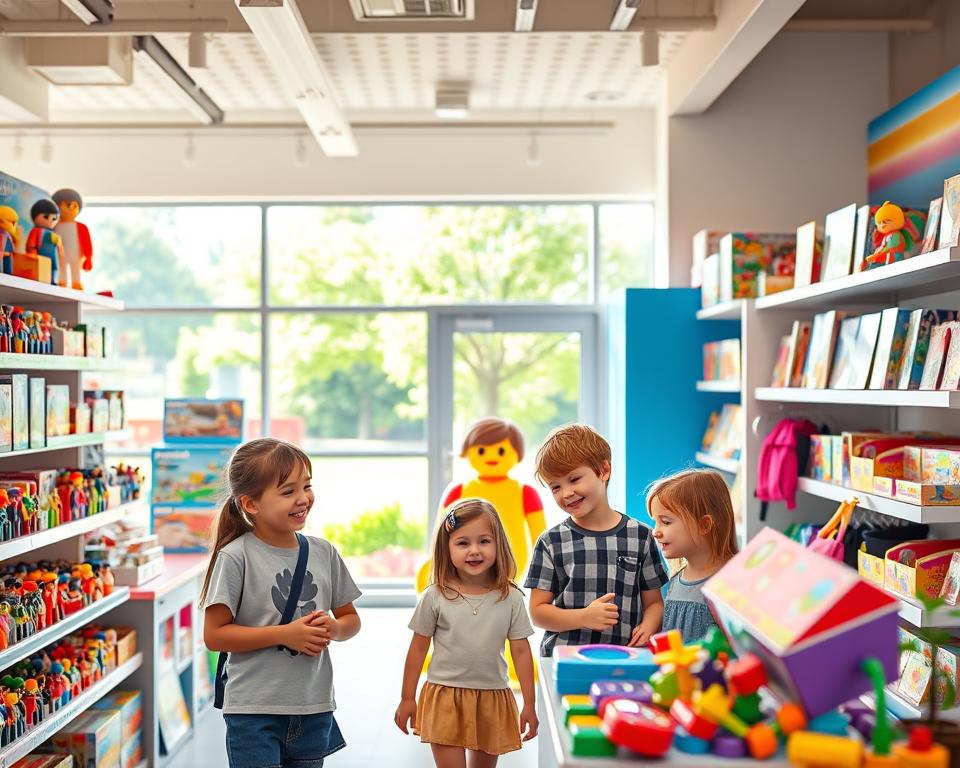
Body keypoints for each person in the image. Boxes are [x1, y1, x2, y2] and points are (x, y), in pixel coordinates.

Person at [201, 438, 361, 768]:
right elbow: (215, 636)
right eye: (288, 491)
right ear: (251, 504)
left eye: (307, 486)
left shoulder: (323, 552)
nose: (303, 499)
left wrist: (334, 627)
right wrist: (285, 634)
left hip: (312, 706)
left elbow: (350, 619)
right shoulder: (235, 557)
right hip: (253, 711)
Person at [395, 498, 538, 768]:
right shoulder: (435, 596)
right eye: (463, 543)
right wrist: (407, 698)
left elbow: (521, 651)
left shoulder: (511, 598)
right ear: (446, 548)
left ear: (499, 544)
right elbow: (417, 649)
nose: (474, 550)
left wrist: (529, 704)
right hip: (444, 697)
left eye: (484, 541)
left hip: (491, 698)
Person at [525, 424, 667, 656]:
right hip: (564, 659)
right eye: (555, 487)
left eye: (574, 479)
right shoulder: (550, 542)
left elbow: (654, 603)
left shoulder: (640, 536)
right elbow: (538, 612)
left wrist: (649, 625)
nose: (566, 493)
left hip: (625, 657)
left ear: (604, 470)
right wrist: (583, 617)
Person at [648, 468, 739, 643]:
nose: (655, 532)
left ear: (704, 525)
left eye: (665, 522)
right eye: (655, 522)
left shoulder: (730, 582)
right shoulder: (674, 580)